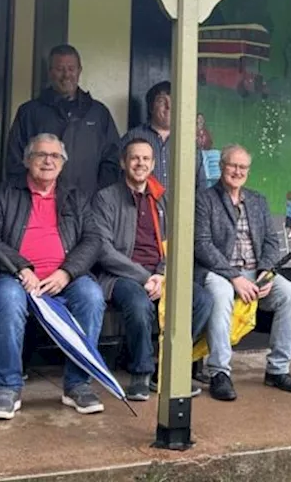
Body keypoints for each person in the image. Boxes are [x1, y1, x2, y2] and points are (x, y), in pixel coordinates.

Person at [0, 133, 107, 418]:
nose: (48, 161)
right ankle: (8, 388)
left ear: (62, 163)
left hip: (63, 278)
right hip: (15, 276)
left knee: (92, 296)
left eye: (55, 156)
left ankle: (77, 385)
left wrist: (67, 272)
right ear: (27, 160)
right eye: (40, 155)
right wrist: (21, 268)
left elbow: (93, 240)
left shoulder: (74, 196)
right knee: (9, 298)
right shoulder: (5, 192)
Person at [88, 138, 213, 401]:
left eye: (146, 159)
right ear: (123, 162)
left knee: (201, 299)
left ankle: (167, 370)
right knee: (138, 303)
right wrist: (146, 277)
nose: (140, 163)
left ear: (153, 164)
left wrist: (162, 272)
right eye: (134, 158)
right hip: (120, 275)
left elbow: (176, 242)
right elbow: (103, 250)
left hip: (159, 273)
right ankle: (141, 373)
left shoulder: (162, 198)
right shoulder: (106, 198)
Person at [194, 144, 291, 401]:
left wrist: (266, 272)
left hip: (255, 271)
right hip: (219, 272)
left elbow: (271, 242)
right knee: (221, 296)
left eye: (243, 167)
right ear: (221, 167)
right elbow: (202, 244)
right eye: (232, 165)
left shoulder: (257, 201)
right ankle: (219, 372)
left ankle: (278, 369)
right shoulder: (204, 199)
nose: (237, 171)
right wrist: (235, 276)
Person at [6, 44, 120, 198]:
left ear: (79, 71)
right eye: (60, 69)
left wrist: (98, 196)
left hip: (89, 205)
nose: (66, 75)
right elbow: (15, 162)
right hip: (41, 204)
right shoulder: (29, 112)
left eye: (71, 69)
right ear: (50, 72)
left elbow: (112, 160)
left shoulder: (99, 113)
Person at [120, 80, 205, 190]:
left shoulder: (187, 139)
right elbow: (119, 180)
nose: (169, 106)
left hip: (181, 207)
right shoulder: (132, 138)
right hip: (141, 206)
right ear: (151, 108)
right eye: (161, 101)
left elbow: (200, 183)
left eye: (173, 101)